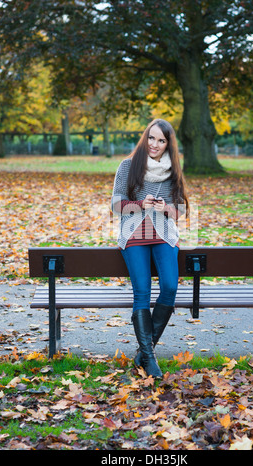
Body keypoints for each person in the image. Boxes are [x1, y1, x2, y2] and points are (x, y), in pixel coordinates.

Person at [111, 119, 189, 378]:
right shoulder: (127, 166)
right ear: (145, 138)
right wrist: (139, 204)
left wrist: (164, 208)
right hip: (134, 234)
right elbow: (116, 205)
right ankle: (151, 360)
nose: (155, 144)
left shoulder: (173, 171)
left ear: (168, 144)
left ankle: (144, 353)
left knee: (170, 287)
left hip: (164, 235)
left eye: (161, 140)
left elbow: (181, 210)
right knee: (141, 292)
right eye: (151, 138)